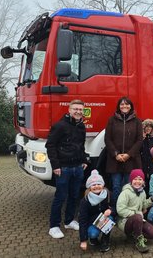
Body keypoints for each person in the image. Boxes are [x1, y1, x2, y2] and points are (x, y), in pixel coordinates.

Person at [46, 99, 88, 239]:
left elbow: (81, 145)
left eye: (80, 109)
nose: (78, 111)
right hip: (63, 168)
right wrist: (56, 165)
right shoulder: (60, 126)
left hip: (77, 167)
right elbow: (50, 145)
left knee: (74, 196)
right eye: (75, 109)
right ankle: (54, 226)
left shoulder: (81, 126)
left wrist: (84, 160)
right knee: (60, 197)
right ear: (69, 110)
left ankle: (69, 221)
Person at [104, 96, 143, 207]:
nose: (124, 106)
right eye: (122, 104)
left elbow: (139, 140)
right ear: (118, 107)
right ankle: (116, 211)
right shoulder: (111, 120)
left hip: (131, 161)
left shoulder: (137, 121)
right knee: (116, 187)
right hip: (115, 161)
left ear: (131, 106)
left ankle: (127, 211)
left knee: (129, 187)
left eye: (127, 104)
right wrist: (116, 154)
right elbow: (107, 139)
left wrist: (128, 155)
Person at [117, 169, 153, 253]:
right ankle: (139, 242)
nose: (137, 182)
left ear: (143, 181)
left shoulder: (142, 192)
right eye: (135, 179)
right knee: (138, 217)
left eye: (140, 179)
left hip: (138, 219)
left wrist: (151, 199)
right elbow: (120, 210)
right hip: (124, 222)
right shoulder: (125, 193)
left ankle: (134, 234)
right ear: (131, 180)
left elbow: (143, 205)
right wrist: (136, 213)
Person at [79, 170, 113, 252]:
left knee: (110, 218)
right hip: (91, 222)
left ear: (103, 185)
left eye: (99, 184)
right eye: (93, 184)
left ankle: (105, 240)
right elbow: (82, 220)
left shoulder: (108, 194)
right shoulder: (85, 200)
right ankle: (92, 239)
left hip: (104, 219)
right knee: (93, 234)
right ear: (89, 187)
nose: (96, 186)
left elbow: (115, 206)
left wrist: (111, 210)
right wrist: (83, 240)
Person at [140, 119, 153, 193]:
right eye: (146, 126)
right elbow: (138, 149)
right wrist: (142, 138)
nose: (148, 128)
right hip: (142, 163)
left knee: (152, 181)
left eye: (150, 127)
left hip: (151, 163)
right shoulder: (140, 138)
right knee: (143, 182)